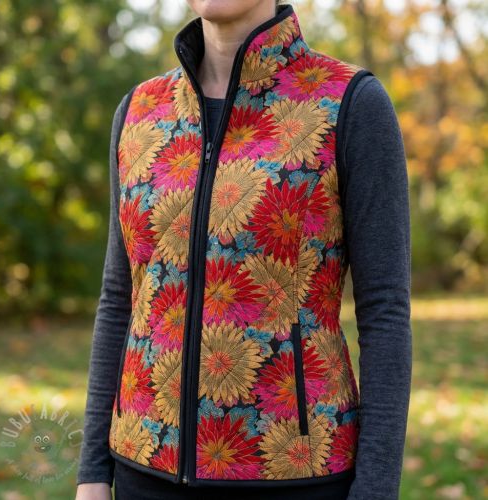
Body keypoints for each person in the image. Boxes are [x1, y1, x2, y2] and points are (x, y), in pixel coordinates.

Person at [75, 1, 412, 499]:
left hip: (296, 478)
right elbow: (119, 297)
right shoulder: (139, 112)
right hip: (141, 471)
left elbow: (385, 310)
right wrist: (92, 473)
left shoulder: (348, 103)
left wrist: (376, 491)